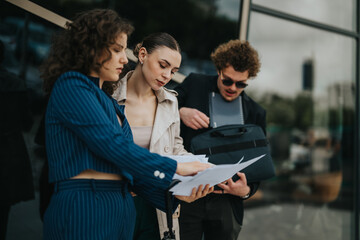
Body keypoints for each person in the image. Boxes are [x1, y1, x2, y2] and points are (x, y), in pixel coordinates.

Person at [40, 9, 212, 240]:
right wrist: (175, 167)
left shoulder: (104, 99)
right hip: (85, 208)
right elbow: (113, 146)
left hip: (121, 212)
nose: (124, 58)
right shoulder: (72, 85)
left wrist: (175, 195)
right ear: (91, 47)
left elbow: (128, 173)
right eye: (117, 49)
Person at [113, 32, 213, 240]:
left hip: (158, 203)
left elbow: (175, 148)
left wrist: (199, 170)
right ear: (142, 55)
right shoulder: (109, 95)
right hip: (117, 199)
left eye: (174, 70)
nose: (168, 75)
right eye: (163, 65)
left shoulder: (170, 101)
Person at [174, 40, 265, 240]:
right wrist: (180, 111)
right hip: (188, 193)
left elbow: (260, 165)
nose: (233, 88)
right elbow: (161, 105)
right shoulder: (194, 83)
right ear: (218, 70)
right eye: (227, 80)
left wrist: (246, 191)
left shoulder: (256, 113)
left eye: (241, 84)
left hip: (226, 202)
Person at [0, 40, 35, 240]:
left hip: (9, 150)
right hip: (9, 151)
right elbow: (27, 122)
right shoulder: (16, 83)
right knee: (3, 211)